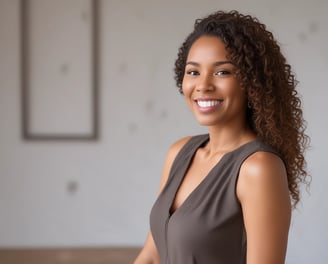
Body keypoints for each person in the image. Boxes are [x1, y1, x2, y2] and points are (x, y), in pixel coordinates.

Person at [134, 10, 309, 264]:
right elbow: (151, 256)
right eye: (193, 72)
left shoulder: (258, 168)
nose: (203, 85)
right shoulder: (179, 152)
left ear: (251, 83)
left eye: (222, 72)